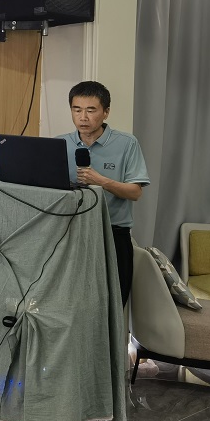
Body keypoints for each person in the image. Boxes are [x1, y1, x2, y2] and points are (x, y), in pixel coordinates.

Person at [57, 81, 150, 305]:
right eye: (77, 110)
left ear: (106, 112)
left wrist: (101, 181)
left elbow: (135, 192)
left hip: (112, 234)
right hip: (70, 232)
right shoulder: (59, 144)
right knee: (71, 302)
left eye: (91, 110)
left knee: (113, 303)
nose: (83, 117)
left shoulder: (127, 143)